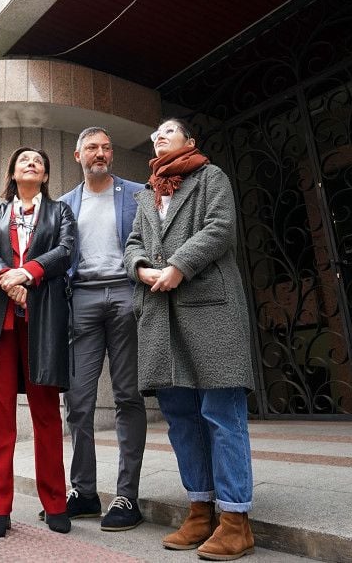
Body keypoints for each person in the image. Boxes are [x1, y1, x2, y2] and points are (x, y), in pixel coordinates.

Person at [123, 118, 256, 560]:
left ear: (190, 142)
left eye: (169, 132)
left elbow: (219, 229)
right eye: (155, 134)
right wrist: (140, 267)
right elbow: (134, 242)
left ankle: (235, 520)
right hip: (161, 314)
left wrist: (178, 265)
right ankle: (200, 509)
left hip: (209, 308)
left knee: (221, 412)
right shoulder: (148, 193)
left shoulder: (209, 177)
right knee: (180, 417)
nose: (159, 137)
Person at [0, 147, 75, 540]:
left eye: (39, 162)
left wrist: (26, 275)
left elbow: (65, 250)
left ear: (44, 175)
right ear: (12, 171)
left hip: (43, 321)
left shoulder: (61, 213)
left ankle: (56, 502)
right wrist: (7, 278)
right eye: (24, 159)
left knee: (46, 414)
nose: (31, 164)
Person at [56, 126, 147, 530]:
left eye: (106, 147)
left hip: (127, 294)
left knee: (128, 396)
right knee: (79, 401)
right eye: (92, 147)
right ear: (78, 156)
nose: (100, 153)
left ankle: (127, 496)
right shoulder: (63, 205)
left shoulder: (137, 193)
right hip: (82, 300)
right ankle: (84, 492)